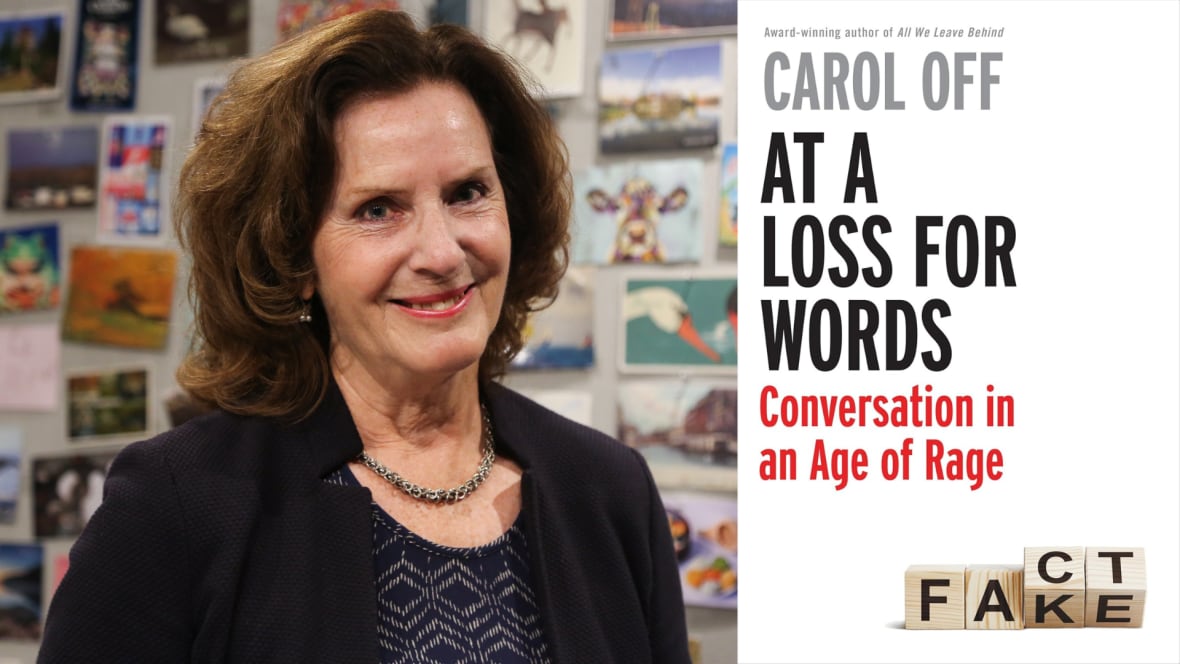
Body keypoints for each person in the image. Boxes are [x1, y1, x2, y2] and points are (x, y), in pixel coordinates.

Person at [39, 10, 691, 664]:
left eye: (468, 193)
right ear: (293, 260)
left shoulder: (610, 490)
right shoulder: (177, 506)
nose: (441, 251)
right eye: (378, 209)